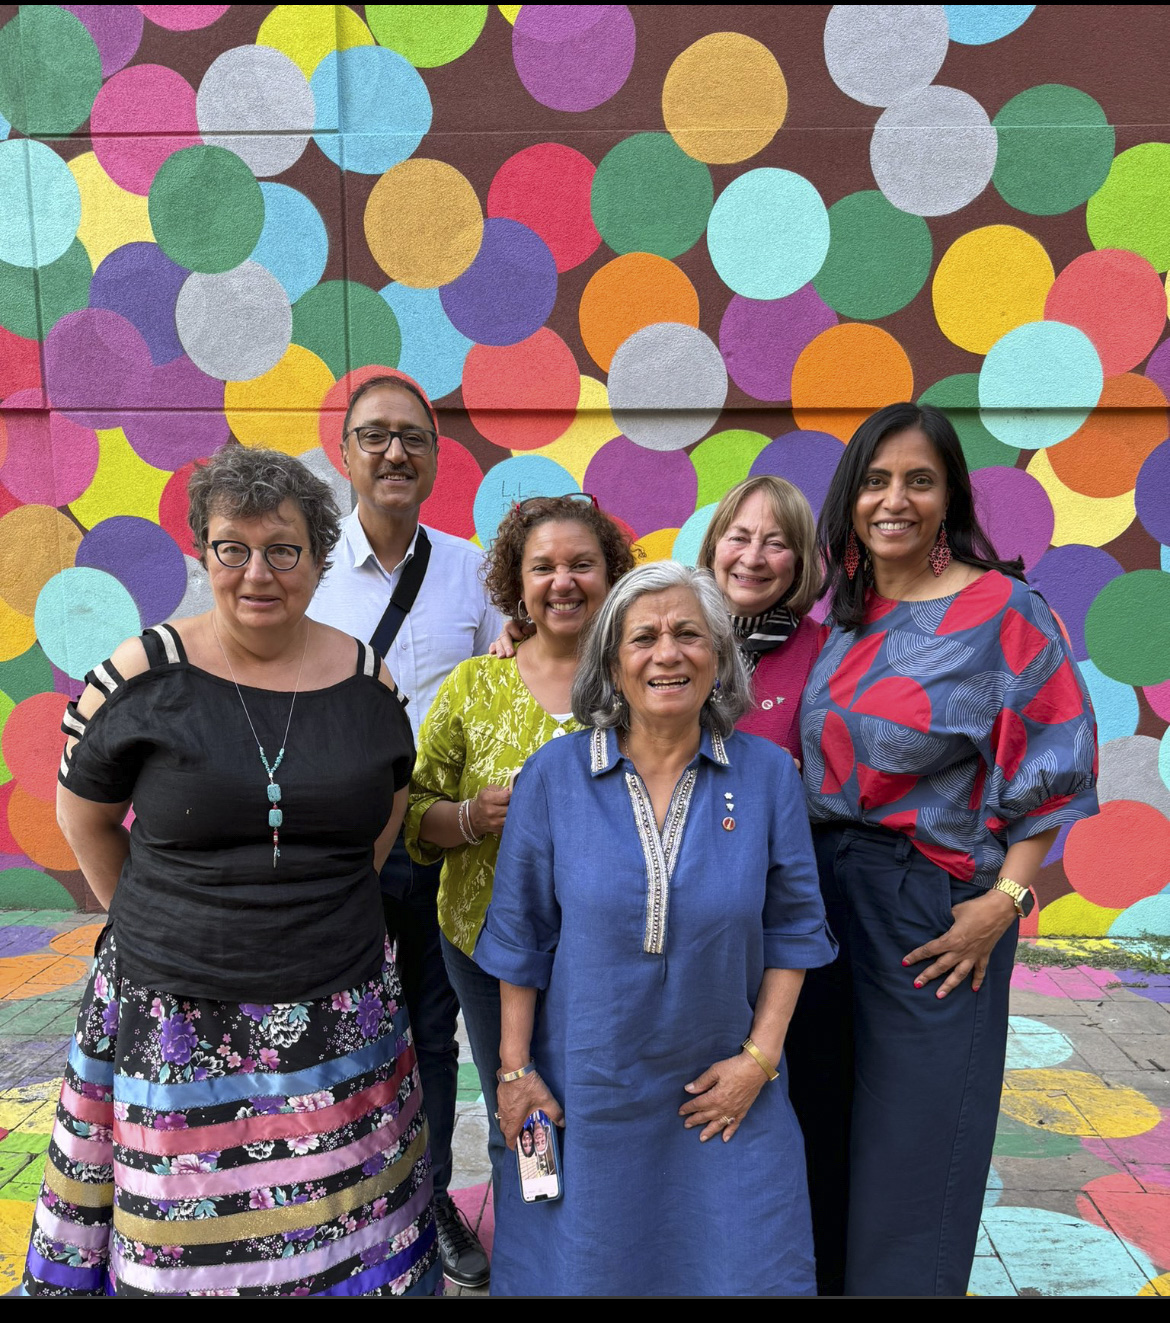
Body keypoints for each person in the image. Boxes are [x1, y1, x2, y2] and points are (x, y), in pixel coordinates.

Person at [24, 445, 439, 1298]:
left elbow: (377, 821)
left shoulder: (370, 684)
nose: (257, 572)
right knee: (188, 1242)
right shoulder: (141, 674)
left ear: (319, 560)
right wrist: (159, 917)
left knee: (337, 1224)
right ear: (204, 551)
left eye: (283, 549)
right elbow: (84, 815)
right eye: (231, 547)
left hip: (338, 1012)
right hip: (177, 1017)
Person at [788, 402, 1099, 1297]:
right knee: (823, 1121)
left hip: (930, 907)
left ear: (949, 495)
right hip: (821, 895)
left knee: (916, 1147)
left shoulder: (1003, 610)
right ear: (850, 498)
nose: (896, 499)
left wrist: (1005, 903)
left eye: (918, 480)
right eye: (877, 480)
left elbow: (1055, 764)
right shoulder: (839, 610)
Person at [476, 562, 838, 1297]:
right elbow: (520, 936)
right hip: (589, 1092)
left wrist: (758, 1063)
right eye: (644, 637)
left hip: (727, 1091)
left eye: (688, 635)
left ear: (720, 655)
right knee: (584, 1268)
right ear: (612, 661)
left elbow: (795, 932)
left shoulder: (767, 776)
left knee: (745, 1263)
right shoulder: (553, 776)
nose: (667, 653)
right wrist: (514, 1072)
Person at [307, 371, 500, 1288]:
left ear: (434, 455)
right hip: (335, 855)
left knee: (431, 1034)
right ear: (344, 453)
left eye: (412, 437)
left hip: (437, 845)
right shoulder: (300, 569)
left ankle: (430, 1207)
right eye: (374, 436)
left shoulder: (471, 570)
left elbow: (508, 685)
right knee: (327, 1032)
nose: (394, 452)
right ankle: (331, 1207)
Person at [403, 495, 636, 1206]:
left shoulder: (639, 677)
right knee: (519, 1099)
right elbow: (414, 810)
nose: (562, 581)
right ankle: (533, 1246)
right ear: (517, 581)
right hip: (485, 942)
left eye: (581, 564)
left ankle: (599, 1248)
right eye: (544, 567)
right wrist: (472, 816)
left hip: (614, 947)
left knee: (604, 1105)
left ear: (610, 574)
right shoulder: (477, 683)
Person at [696, 475, 822, 758]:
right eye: (739, 538)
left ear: (799, 562)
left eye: (776, 544)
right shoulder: (672, 639)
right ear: (714, 546)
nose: (752, 559)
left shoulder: (825, 652)